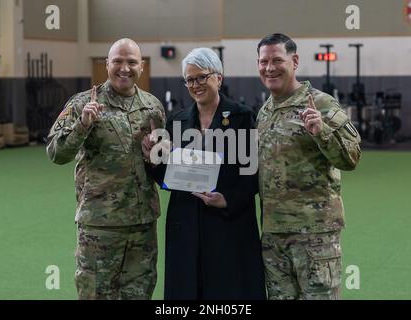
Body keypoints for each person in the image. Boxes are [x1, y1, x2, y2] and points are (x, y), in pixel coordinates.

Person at [46, 38, 165, 300]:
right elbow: (55, 152)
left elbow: (159, 162)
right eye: (118, 61)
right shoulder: (81, 104)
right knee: (96, 295)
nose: (125, 68)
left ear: (141, 67)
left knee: (140, 294)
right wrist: (83, 125)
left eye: (132, 62)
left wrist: (156, 155)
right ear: (107, 64)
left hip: (142, 225)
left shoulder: (153, 106)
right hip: (100, 225)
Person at [142, 48, 265, 299]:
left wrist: (227, 199)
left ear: (218, 78)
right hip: (185, 226)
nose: (195, 85)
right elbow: (167, 176)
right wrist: (152, 159)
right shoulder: (176, 121)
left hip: (229, 225)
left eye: (202, 77)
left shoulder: (242, 117)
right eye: (189, 79)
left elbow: (253, 176)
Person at [256, 33, 361, 300]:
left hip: (314, 236)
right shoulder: (265, 111)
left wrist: (322, 131)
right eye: (263, 61)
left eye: (277, 60)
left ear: (295, 61)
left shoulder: (321, 103)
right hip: (273, 237)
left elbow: (352, 157)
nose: (270, 68)